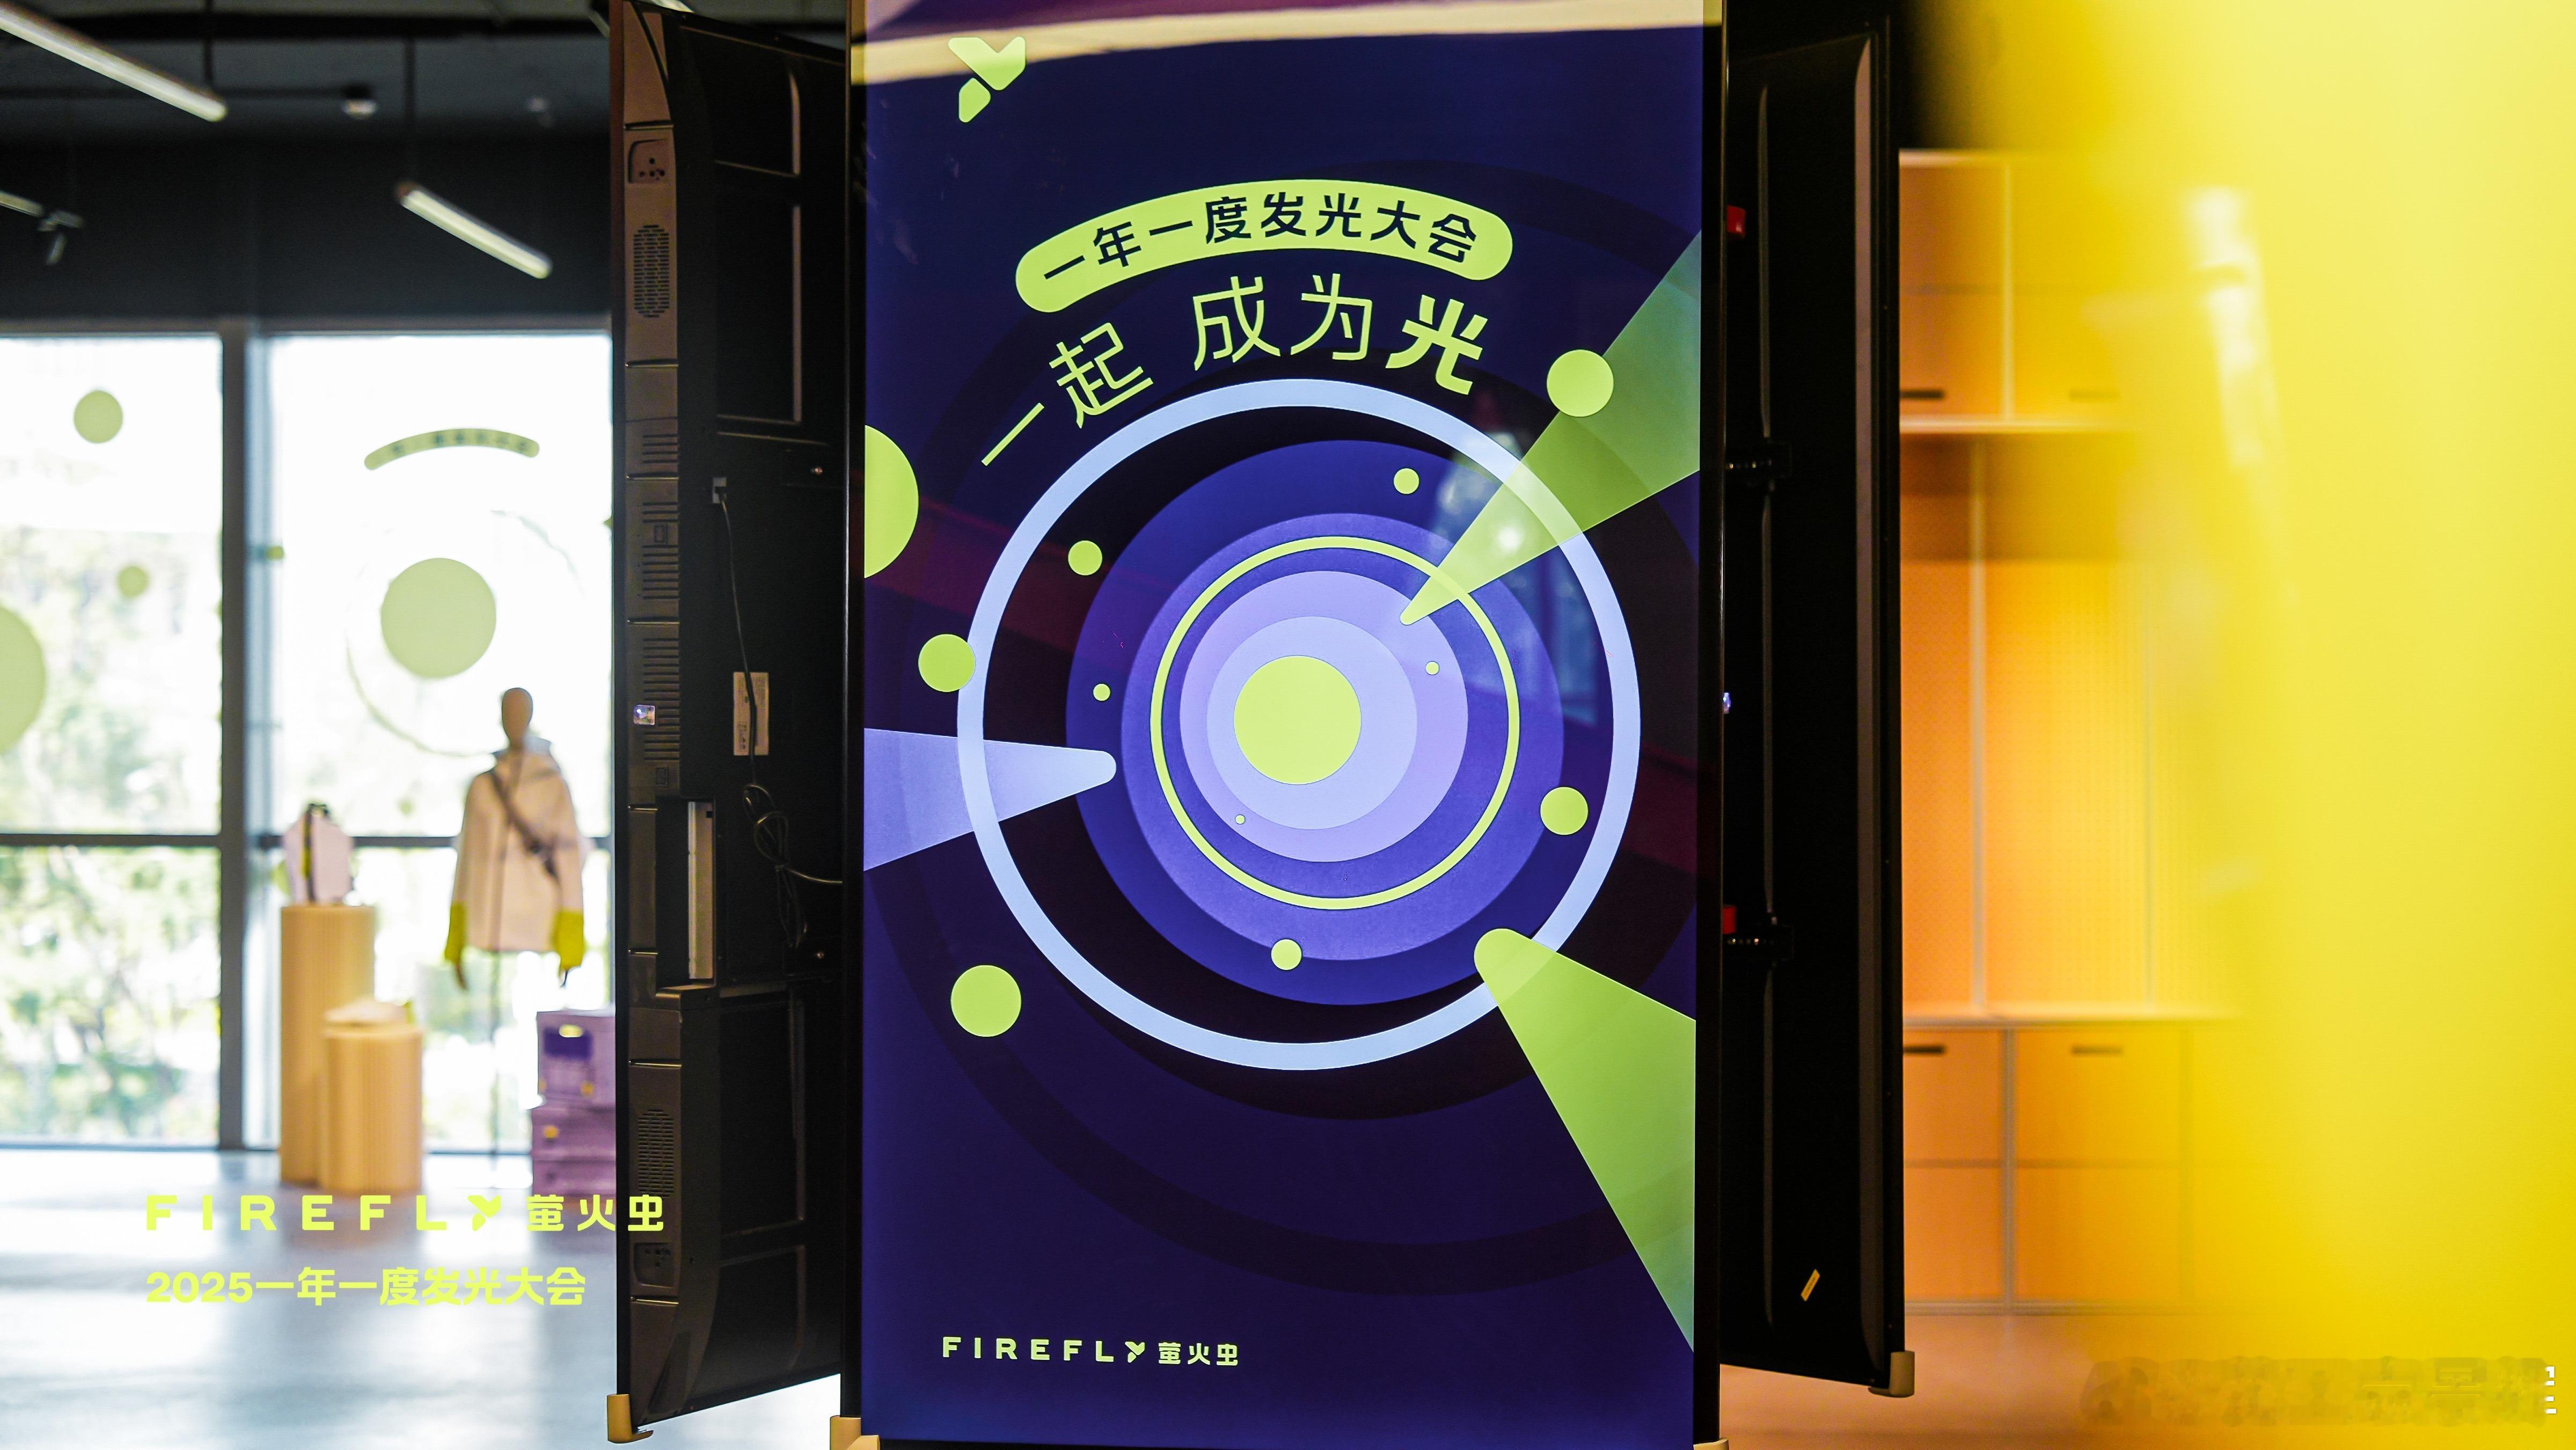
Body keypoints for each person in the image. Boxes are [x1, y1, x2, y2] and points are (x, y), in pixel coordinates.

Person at [443, 687, 587, 985]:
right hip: (484, 926)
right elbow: (466, 863)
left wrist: (571, 946)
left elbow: (569, 861)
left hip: (538, 925)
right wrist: (455, 945)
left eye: (521, 711)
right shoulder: (482, 786)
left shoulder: (551, 784)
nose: (515, 720)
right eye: (508, 711)